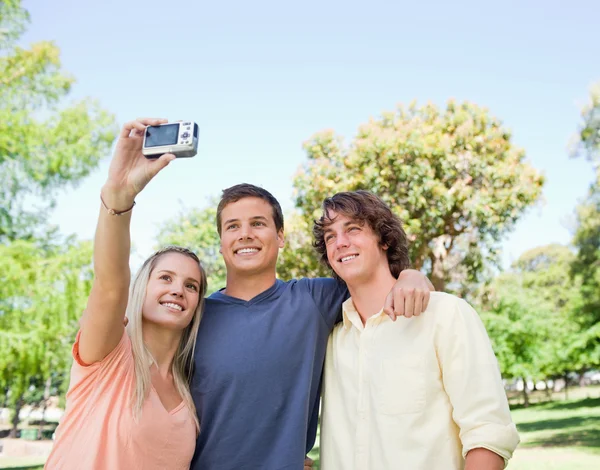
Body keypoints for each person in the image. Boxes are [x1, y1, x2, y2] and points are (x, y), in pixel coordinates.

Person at [190, 184, 434, 469]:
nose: (245, 234)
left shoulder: (314, 300)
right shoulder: (194, 318)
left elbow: (375, 280)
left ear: (280, 236)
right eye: (233, 226)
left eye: (258, 223)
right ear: (221, 242)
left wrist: (410, 275)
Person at [314, 191, 520, 470]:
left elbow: (488, 432)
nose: (340, 243)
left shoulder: (445, 315)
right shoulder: (330, 337)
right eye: (330, 236)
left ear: (385, 240)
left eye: (353, 229)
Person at [45, 118, 207, 470]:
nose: (178, 289)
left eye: (191, 285)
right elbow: (109, 284)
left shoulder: (188, 388)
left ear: (197, 305)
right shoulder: (110, 352)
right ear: (142, 288)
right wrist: (119, 196)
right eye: (165, 277)